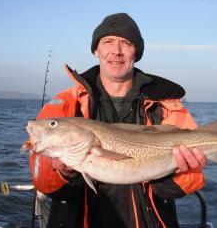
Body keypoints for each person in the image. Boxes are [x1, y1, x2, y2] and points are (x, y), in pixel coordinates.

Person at [29, 13, 207, 228]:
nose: (116, 50)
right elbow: (44, 183)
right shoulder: (64, 106)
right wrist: (63, 172)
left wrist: (179, 172)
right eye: (108, 42)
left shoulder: (167, 107)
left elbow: (189, 182)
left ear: (136, 52)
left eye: (126, 43)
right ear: (96, 50)